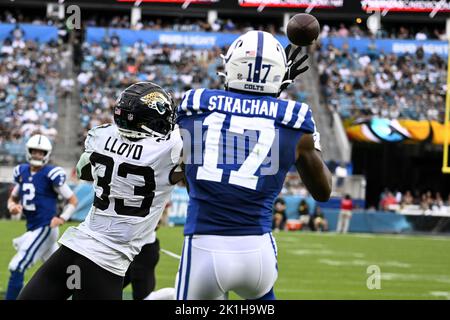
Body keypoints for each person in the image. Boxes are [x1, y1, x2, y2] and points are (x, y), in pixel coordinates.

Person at [175, 30, 332, 300]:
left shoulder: (195, 104)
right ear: (280, 74)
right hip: (257, 252)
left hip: (204, 247)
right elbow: (323, 191)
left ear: (230, 66)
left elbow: (189, 171)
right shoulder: (295, 118)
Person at [18, 82, 183, 300]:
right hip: (106, 262)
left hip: (72, 251)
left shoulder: (102, 136)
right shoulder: (171, 148)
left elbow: (84, 171)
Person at [5, 134, 78, 300]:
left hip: (45, 227)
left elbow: (73, 200)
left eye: (41, 152)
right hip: (33, 228)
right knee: (62, 272)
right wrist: (12, 206)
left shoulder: (51, 173)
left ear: (47, 154)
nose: (37, 155)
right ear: (28, 151)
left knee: (17, 266)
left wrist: (62, 218)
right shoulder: (22, 171)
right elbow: (14, 197)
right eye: (34, 151)